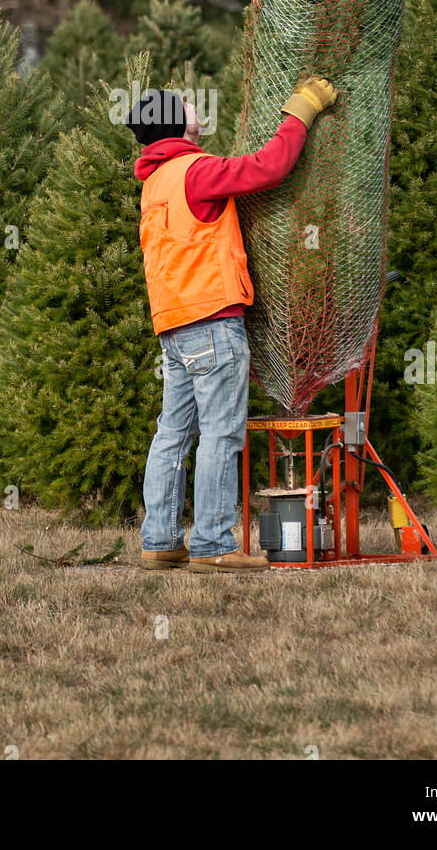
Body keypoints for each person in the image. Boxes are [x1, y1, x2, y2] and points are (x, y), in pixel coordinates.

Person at [128, 72, 338, 573]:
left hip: (174, 327)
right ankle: (213, 546)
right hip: (212, 322)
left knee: (172, 434)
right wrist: (301, 111)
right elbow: (269, 168)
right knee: (221, 433)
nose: (195, 110)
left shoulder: (155, 181)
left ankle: (160, 540)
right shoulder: (194, 171)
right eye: (186, 106)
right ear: (176, 122)